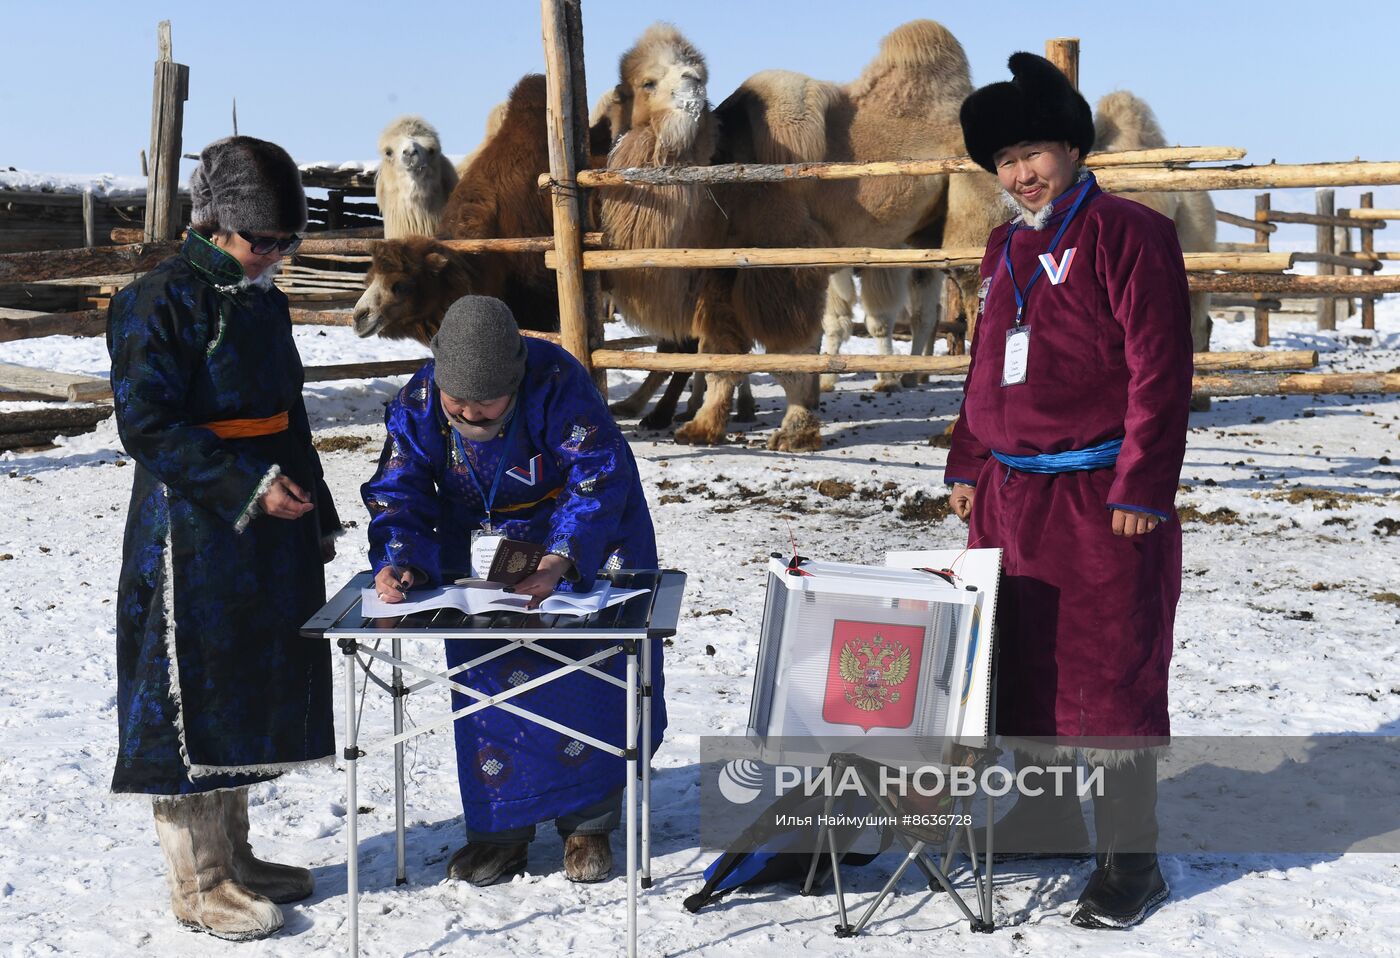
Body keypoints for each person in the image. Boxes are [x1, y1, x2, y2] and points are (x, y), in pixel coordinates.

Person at [947, 54, 1193, 929]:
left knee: (1113, 676)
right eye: (1005, 161)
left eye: (1035, 153)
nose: (1020, 174)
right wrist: (967, 462)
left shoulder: (1130, 233)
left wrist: (1142, 484)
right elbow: (988, 363)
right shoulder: (1005, 243)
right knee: (1020, 665)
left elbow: (1160, 373)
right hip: (1011, 498)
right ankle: (1047, 813)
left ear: (1073, 148)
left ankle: (1133, 861)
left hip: (1103, 500)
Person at [108, 136, 341, 941]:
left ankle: (235, 856)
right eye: (261, 241)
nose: (273, 255)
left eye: (286, 241)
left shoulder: (263, 300)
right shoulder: (155, 302)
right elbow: (146, 424)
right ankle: (197, 879)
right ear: (214, 224)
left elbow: (291, 412)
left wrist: (317, 509)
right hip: (191, 531)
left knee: (248, 685)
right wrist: (243, 488)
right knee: (189, 695)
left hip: (269, 527)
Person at [362, 295, 665, 886]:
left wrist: (560, 557)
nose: (471, 415)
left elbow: (597, 472)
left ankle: (589, 825)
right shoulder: (420, 401)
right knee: (488, 679)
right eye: (460, 404)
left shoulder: (556, 381)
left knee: (584, 674)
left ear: (517, 377)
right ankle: (499, 834)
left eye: (486, 405)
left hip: (574, 539)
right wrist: (400, 562)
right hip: (480, 558)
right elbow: (400, 491)